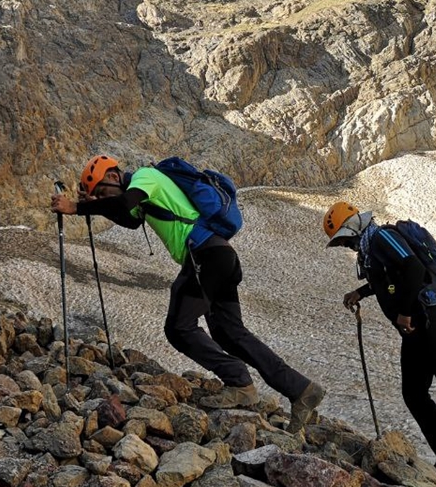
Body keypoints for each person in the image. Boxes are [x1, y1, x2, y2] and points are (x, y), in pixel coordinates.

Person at [51, 155, 325, 431]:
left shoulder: (146, 177)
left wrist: (76, 208)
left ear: (112, 176)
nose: (101, 196)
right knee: (229, 333)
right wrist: (92, 205)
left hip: (204, 256)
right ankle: (302, 389)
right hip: (220, 256)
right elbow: (129, 218)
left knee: (179, 327)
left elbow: (124, 203)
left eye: (101, 190)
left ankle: (239, 381)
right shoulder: (144, 190)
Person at [323, 201, 436, 484]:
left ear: (353, 227)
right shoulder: (372, 247)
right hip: (417, 325)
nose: (346, 245)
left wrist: (404, 312)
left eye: (345, 239)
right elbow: (392, 278)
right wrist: (361, 292)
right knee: (415, 393)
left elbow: (414, 269)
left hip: (428, 318)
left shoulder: (381, 237)